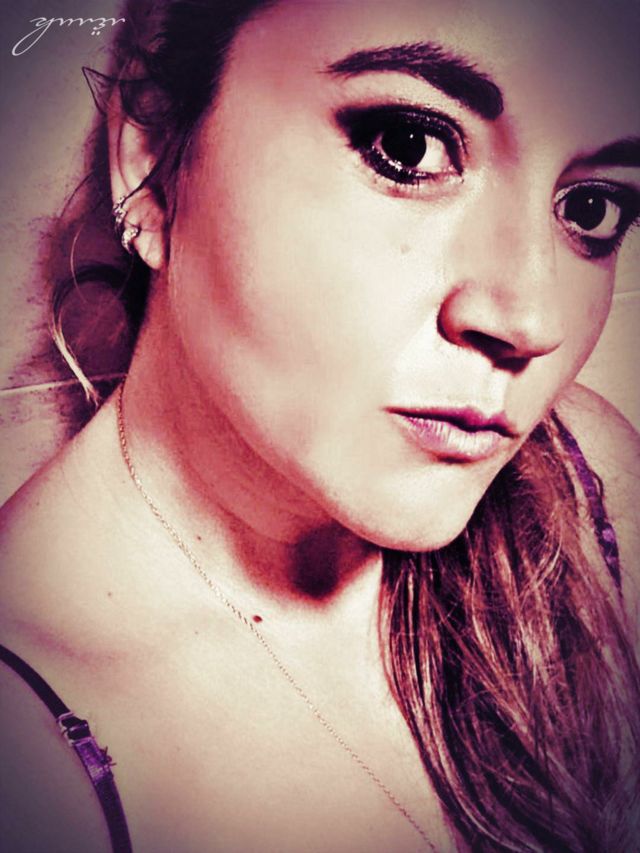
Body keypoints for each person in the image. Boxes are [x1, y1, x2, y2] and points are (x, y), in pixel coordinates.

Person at [1, 0, 639, 850]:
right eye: (407, 146)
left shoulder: (583, 488)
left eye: (592, 207)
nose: (530, 319)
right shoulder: (28, 761)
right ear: (149, 159)